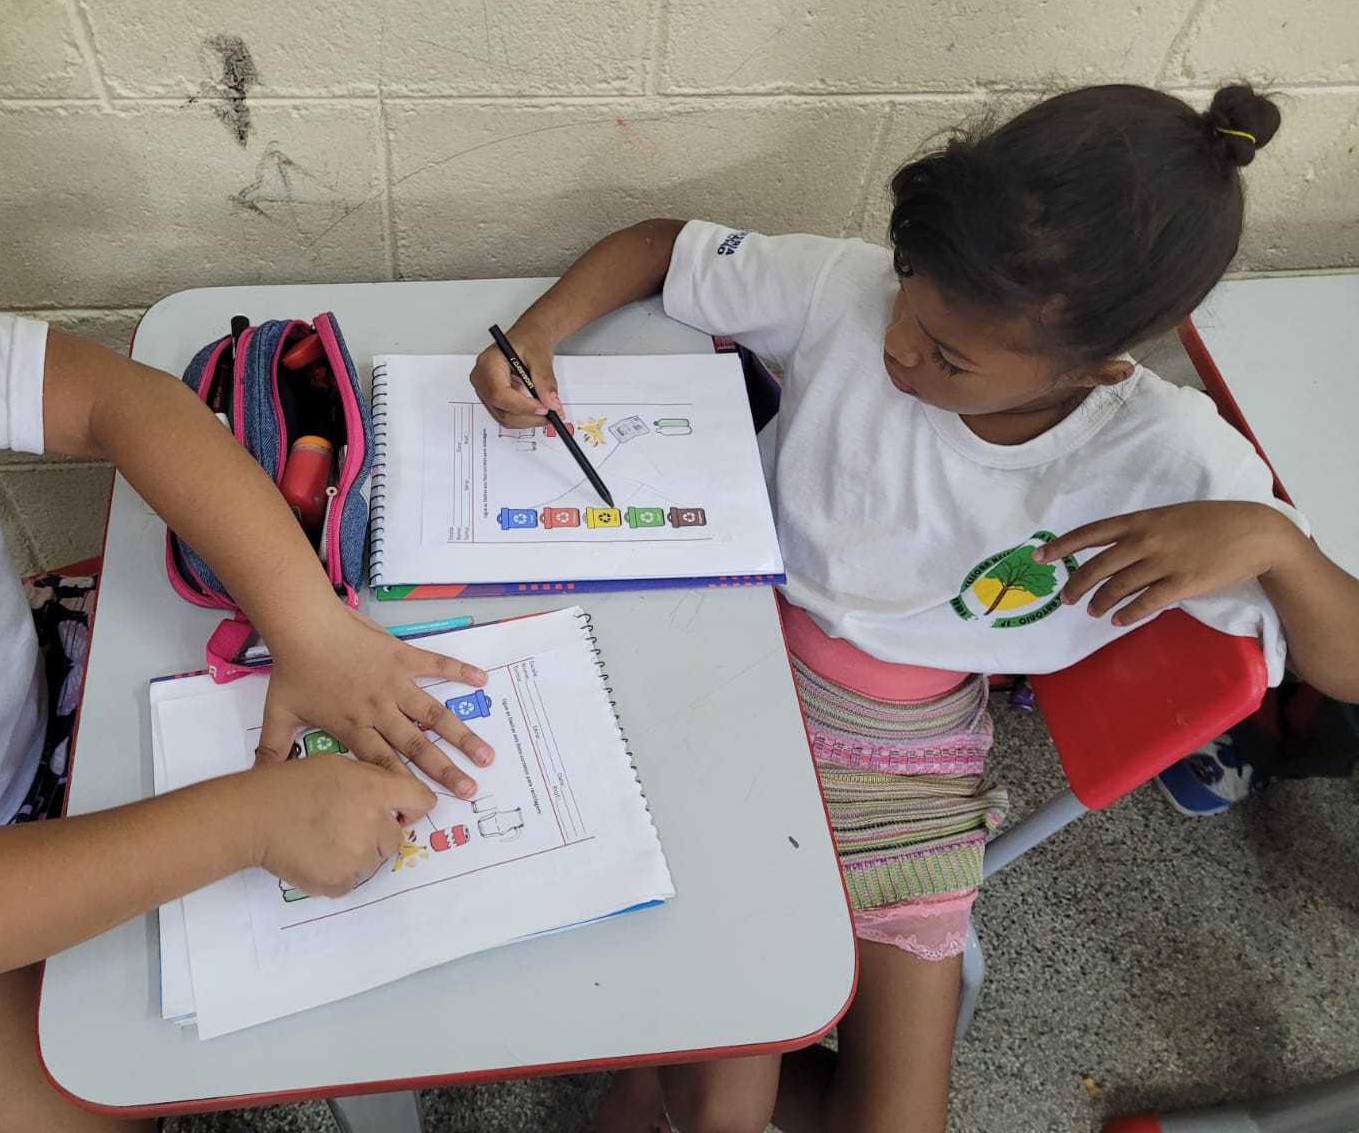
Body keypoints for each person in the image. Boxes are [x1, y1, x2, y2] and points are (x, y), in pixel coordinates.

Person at [470, 83, 1359, 1133]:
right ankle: (657, 1066)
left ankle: (657, 1053)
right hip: (729, 668)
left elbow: (1345, 665)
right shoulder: (849, 293)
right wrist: (536, 334)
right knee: (722, 1105)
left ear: (1098, 368)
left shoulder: (1173, 458)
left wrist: (1273, 542)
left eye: (948, 358)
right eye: (908, 298)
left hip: (912, 758)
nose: (898, 346)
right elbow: (663, 247)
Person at [0, 47, 494, 1131]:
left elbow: (126, 401)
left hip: (38, 693)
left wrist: (311, 629)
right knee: (95, 1098)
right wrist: (249, 821)